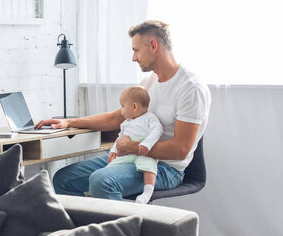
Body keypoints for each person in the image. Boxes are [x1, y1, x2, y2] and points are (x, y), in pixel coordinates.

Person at [35, 20, 211, 201]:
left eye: (135, 50)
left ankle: (122, 229)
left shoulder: (190, 89)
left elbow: (180, 149)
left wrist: (132, 147)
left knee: (102, 181)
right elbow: (115, 118)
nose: (133, 58)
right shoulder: (149, 83)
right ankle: (89, 228)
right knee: (64, 179)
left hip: (166, 168)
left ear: (153, 45)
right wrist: (68, 122)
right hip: (129, 156)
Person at [108, 86, 163, 204]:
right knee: (110, 169)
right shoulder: (125, 123)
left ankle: (147, 193)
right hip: (126, 153)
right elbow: (120, 138)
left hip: (143, 150)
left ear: (134, 107)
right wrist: (113, 151)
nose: (121, 110)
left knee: (149, 167)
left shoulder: (150, 118)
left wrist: (147, 144)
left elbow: (157, 130)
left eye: (122, 106)